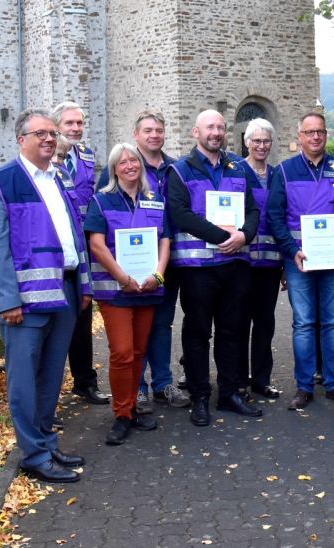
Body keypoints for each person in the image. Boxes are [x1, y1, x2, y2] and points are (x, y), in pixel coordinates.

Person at [0, 109, 92, 482]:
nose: (48, 139)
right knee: (25, 380)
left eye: (51, 133)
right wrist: (7, 300)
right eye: (40, 133)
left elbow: (73, 235)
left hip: (65, 291)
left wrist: (85, 284)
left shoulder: (56, 178)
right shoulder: (1, 182)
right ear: (21, 139)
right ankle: (32, 454)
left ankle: (45, 440)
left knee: (50, 377)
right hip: (25, 303)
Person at [167, 109, 261, 426]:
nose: (216, 132)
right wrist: (225, 237)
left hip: (235, 265)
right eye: (210, 127)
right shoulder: (180, 170)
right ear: (196, 132)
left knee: (232, 331)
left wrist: (245, 235)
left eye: (221, 127)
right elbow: (180, 213)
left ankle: (230, 393)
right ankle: (200, 397)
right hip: (198, 269)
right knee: (197, 333)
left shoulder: (238, 167)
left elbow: (252, 209)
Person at [267, 111, 334, 410]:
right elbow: (275, 215)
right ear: (300, 136)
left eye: (320, 132)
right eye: (309, 132)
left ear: (326, 134)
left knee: (332, 324)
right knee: (304, 324)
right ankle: (304, 387)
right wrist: (290, 249)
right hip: (301, 261)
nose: (315, 137)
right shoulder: (285, 172)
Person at [97, 110, 189, 414]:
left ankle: (163, 382)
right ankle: (137, 389)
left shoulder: (176, 168)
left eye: (159, 130)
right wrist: (122, 276)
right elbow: (103, 221)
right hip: (125, 273)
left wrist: (160, 273)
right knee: (133, 335)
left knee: (161, 324)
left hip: (164, 266)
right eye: (148, 130)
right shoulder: (119, 169)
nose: (154, 135)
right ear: (136, 135)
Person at [85, 143, 170, 444]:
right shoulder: (102, 200)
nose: (130, 166)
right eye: (123, 162)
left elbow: (165, 241)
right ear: (114, 169)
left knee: (137, 352)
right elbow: (97, 244)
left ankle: (132, 408)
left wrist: (158, 275)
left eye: (134, 160)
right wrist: (122, 277)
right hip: (116, 292)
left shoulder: (155, 199)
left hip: (147, 289)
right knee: (122, 352)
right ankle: (121, 414)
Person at [52, 101, 108, 405]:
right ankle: (51, 391)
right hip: (59, 247)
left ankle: (85, 382)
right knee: (56, 320)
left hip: (84, 245)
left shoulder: (86, 154)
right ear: (57, 125)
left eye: (79, 123)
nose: (76, 128)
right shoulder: (49, 157)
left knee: (83, 315)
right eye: (70, 123)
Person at [240, 118, 282, 399]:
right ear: (247, 142)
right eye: (256, 141)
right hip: (242, 261)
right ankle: (239, 380)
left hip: (271, 262)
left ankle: (262, 379)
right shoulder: (237, 171)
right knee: (240, 322)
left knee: (265, 322)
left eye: (266, 141)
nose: (262, 146)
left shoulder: (278, 174)